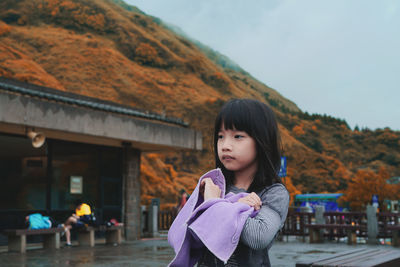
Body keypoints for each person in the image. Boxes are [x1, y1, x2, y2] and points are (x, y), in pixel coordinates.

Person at [197, 98, 290, 266]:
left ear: (262, 141)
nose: (225, 145)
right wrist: (234, 206)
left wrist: (214, 204)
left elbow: (258, 236)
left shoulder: (273, 193)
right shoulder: (214, 185)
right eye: (220, 136)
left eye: (238, 136)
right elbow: (188, 233)